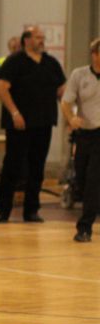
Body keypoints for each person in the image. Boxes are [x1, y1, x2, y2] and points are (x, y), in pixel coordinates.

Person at [0, 26, 66, 224]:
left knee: (37, 167)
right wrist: (15, 112)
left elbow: (62, 91)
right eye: (38, 37)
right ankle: (2, 210)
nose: (42, 40)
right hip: (20, 124)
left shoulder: (51, 63)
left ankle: (31, 210)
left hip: (44, 122)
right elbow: (1, 87)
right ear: (26, 40)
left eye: (43, 37)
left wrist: (70, 115)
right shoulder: (15, 61)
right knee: (12, 166)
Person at [60, 38, 100, 242]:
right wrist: (71, 118)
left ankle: (84, 228)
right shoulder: (79, 74)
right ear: (94, 55)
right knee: (82, 179)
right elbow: (66, 102)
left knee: (94, 180)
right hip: (85, 133)